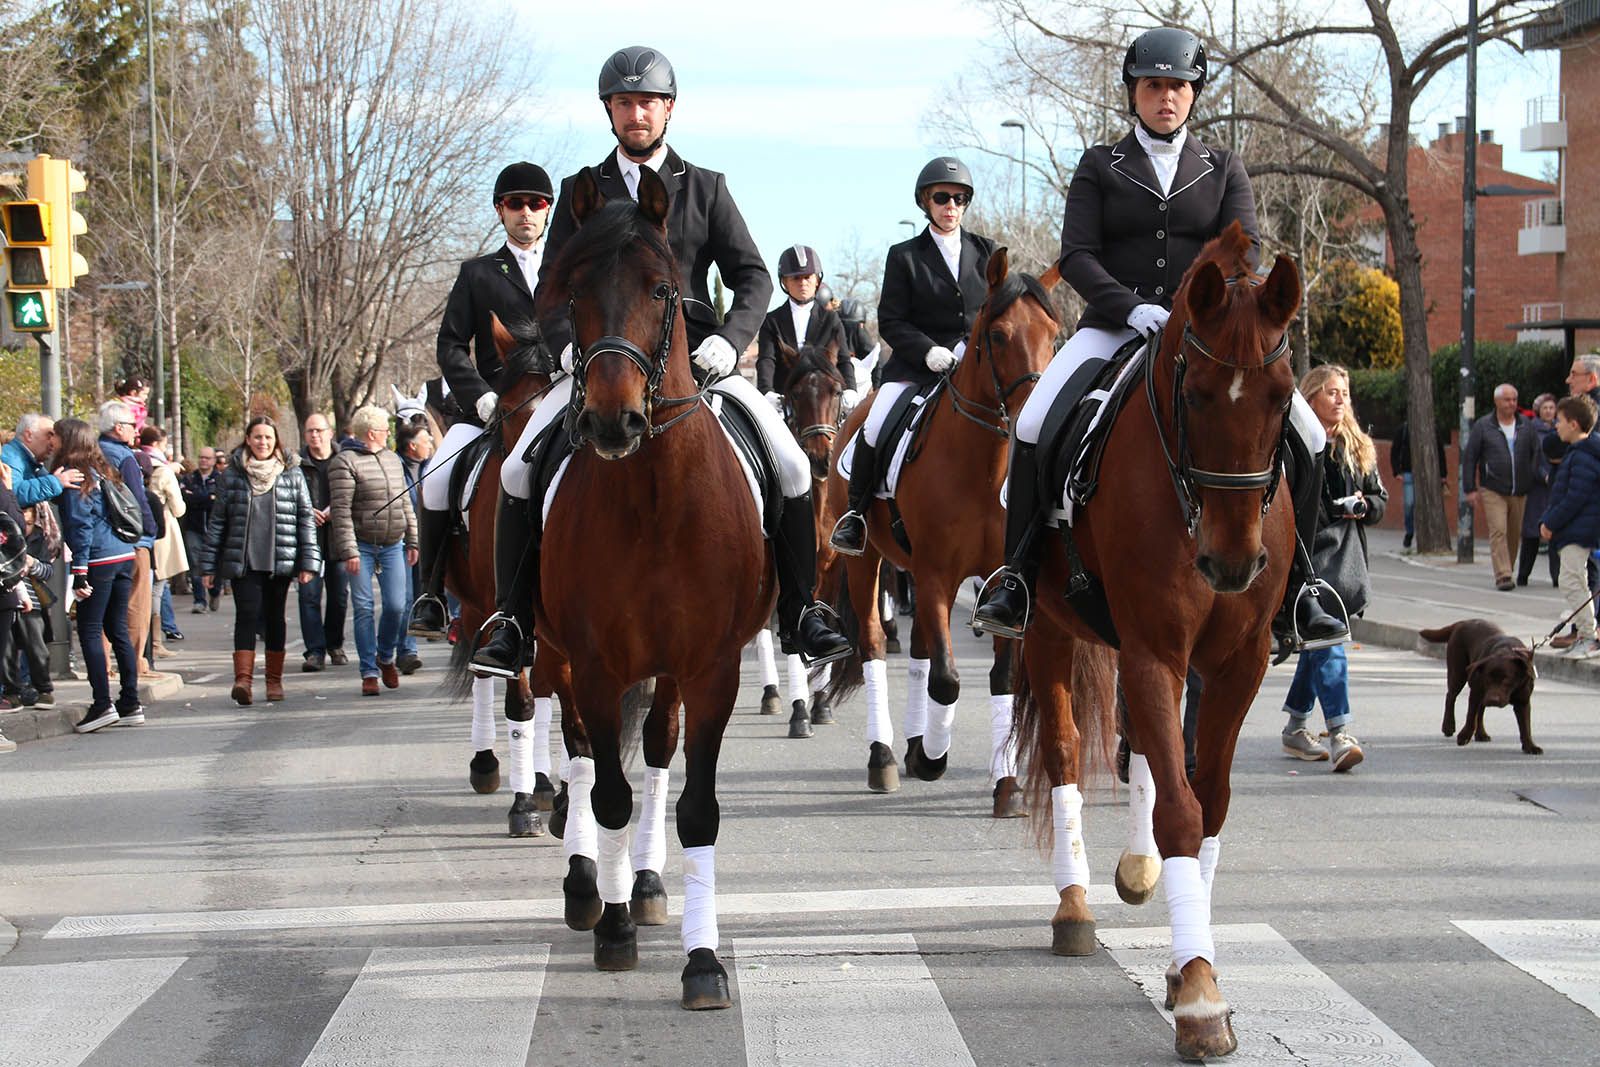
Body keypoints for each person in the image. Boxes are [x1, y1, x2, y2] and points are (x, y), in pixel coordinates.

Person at [969, 27, 1347, 656]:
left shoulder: (1223, 167)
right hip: (1116, 326)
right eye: (1153, 86)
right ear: (1134, 94)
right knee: (1034, 421)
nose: (1165, 97)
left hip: (1207, 338)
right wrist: (1132, 306)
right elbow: (1078, 255)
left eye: (1177, 86)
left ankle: (1302, 588)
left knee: (1306, 433)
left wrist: (1201, 315)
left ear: (1193, 94)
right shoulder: (1099, 165)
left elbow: (1245, 252)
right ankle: (1018, 577)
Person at [483, 45, 850, 678]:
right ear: (610, 112)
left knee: (791, 463)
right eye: (623, 103)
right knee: (518, 469)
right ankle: (514, 623)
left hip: (696, 361)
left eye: (646, 102)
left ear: (668, 108)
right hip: (603, 361)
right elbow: (551, 287)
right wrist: (568, 343)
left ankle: (801, 611)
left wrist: (731, 339)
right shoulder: (580, 191)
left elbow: (752, 276)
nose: (636, 114)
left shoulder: (706, 188)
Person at [409, 161, 556, 640]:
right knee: (437, 476)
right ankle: (431, 592)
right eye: (515, 204)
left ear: (548, 210)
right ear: (500, 211)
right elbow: (450, 344)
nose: (526, 213)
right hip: (495, 406)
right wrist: (481, 397)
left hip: (559, 401)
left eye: (535, 203)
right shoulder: (477, 273)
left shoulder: (567, 268)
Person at [830, 155, 996, 555]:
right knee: (873, 425)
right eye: (942, 197)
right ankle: (855, 514)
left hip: (972, 370)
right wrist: (928, 351)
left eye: (959, 198)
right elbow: (891, 320)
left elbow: (997, 315)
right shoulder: (905, 255)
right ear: (926, 201)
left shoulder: (986, 251)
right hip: (917, 369)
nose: (951, 206)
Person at [1281, 365, 1386, 772]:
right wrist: (1333, 510)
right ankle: (1340, 733)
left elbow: (1379, 501)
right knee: (1329, 641)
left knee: (1320, 645)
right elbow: (1296, 505)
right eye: (1331, 392)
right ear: (1311, 398)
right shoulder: (1298, 443)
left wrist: (1362, 507)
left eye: (1344, 392)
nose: (1340, 399)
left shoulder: (1358, 446)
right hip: (1311, 559)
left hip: (1348, 561)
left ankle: (1294, 726)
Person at [201, 416, 320, 706]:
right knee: (247, 616)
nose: (262, 442)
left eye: (267, 437)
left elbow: (305, 519)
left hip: (280, 559)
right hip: (244, 560)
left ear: (276, 440)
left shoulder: (292, 473)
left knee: (275, 619)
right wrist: (207, 566)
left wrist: (309, 563)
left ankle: (274, 681)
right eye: (257, 437)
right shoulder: (232, 475)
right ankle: (243, 681)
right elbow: (217, 522)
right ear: (247, 439)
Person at [55, 418, 144, 733]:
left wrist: (79, 572)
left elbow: (81, 527)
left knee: (90, 630)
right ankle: (131, 702)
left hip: (99, 559)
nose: (51, 442)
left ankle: (102, 704)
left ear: (67, 441)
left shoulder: (77, 476)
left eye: (55, 436)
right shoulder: (104, 469)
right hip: (123, 553)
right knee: (117, 628)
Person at [328, 405, 419, 696]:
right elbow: (341, 512)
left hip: (394, 544)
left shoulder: (393, 459)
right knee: (364, 608)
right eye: (384, 430)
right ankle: (369, 670)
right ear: (371, 433)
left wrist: (413, 538)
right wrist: (350, 550)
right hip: (362, 546)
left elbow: (406, 501)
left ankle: (386, 655)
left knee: (397, 605)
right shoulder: (345, 462)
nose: (388, 434)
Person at [755, 244, 858, 408]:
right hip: (785, 401)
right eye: (795, 278)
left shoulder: (832, 319)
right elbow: (767, 360)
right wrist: (766, 392)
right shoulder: (771, 321)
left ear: (817, 280)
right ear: (784, 282)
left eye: (807, 277)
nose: (802, 283)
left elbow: (844, 360)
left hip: (825, 402)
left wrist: (851, 389)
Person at [98, 402, 158, 681]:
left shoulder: (91, 453)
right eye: (132, 426)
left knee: (100, 608)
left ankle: (102, 664)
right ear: (118, 427)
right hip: (131, 541)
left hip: (100, 543)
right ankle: (133, 663)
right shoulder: (125, 458)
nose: (137, 431)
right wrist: (150, 529)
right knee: (135, 604)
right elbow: (138, 499)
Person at [1539, 395, 1600, 658]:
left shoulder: (1582, 455)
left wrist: (1551, 522)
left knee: (1572, 581)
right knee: (1574, 580)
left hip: (1579, 529)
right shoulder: (1579, 453)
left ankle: (1588, 635)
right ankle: (1587, 634)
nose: (1556, 426)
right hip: (1578, 527)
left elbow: (1575, 496)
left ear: (1574, 424)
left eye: (1560, 421)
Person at [1462, 383, 1537, 591]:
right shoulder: (1484, 426)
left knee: (1514, 533)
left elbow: (1535, 454)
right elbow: (1470, 457)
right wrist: (1470, 488)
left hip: (1520, 489)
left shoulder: (1526, 426)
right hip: (1493, 487)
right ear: (1497, 401)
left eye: (1514, 399)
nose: (1512, 403)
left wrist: (1531, 476)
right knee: (1499, 531)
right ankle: (1503, 574)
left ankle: (1508, 569)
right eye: (1507, 399)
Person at [297, 413, 349, 671]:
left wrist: (333, 510)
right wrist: (308, 512)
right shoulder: (297, 464)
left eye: (319, 430)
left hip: (339, 538)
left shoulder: (344, 460)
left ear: (330, 432)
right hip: (309, 540)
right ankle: (314, 651)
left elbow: (354, 494)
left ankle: (334, 644)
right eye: (310, 431)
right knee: (309, 595)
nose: (315, 436)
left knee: (339, 596)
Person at [138, 425, 188, 660]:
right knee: (157, 587)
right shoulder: (165, 471)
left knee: (143, 588)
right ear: (158, 445)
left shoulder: (133, 462)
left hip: (138, 530)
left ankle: (147, 642)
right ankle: (154, 642)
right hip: (162, 531)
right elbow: (179, 508)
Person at [395, 414, 434, 675]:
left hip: (424, 539)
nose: (429, 444)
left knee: (415, 595)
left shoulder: (430, 464)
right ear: (411, 446)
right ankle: (405, 650)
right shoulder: (394, 466)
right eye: (425, 440)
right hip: (400, 539)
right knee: (403, 598)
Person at [1518, 394, 1561, 587]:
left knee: (1555, 532)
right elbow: (1530, 459)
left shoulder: (1561, 429)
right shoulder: (1531, 430)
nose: (1549, 411)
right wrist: (1543, 475)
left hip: (1556, 487)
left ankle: (1556, 576)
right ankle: (1523, 574)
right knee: (1532, 533)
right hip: (1537, 489)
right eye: (1545, 408)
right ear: (1538, 410)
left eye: (1552, 408)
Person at [4, 413, 84, 507]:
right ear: (29, 435)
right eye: (50, 435)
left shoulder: (31, 461)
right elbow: (11, 495)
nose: (53, 441)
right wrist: (56, 482)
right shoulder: (11, 458)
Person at [180, 446, 220, 612]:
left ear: (213, 461)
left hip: (214, 528)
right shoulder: (189, 478)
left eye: (207, 458)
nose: (204, 460)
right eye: (201, 457)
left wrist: (200, 498)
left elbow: (219, 500)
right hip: (193, 527)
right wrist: (207, 498)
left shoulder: (220, 479)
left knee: (215, 562)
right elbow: (186, 498)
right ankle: (199, 600)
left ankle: (214, 590)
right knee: (195, 563)